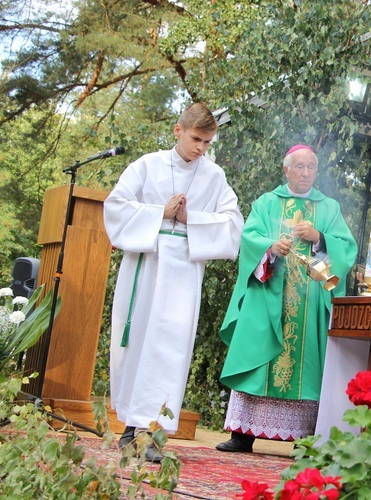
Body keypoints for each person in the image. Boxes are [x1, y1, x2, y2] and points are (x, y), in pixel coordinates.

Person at [103, 102, 244, 462]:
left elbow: (233, 224)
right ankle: (129, 430)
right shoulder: (146, 165)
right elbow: (115, 207)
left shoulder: (214, 176)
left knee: (169, 351)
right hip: (145, 268)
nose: (201, 148)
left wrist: (191, 218)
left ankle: (152, 435)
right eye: (196, 138)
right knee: (135, 344)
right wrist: (158, 213)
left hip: (182, 274)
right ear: (177, 131)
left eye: (208, 142)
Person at [215, 144, 357, 453]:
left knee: (306, 364)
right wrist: (269, 248)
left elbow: (346, 249)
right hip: (269, 295)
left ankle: (304, 438)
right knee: (258, 356)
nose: (306, 173)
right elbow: (250, 239)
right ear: (286, 170)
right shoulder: (267, 203)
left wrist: (319, 237)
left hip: (309, 298)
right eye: (300, 167)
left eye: (311, 168)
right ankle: (243, 433)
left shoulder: (328, 208)